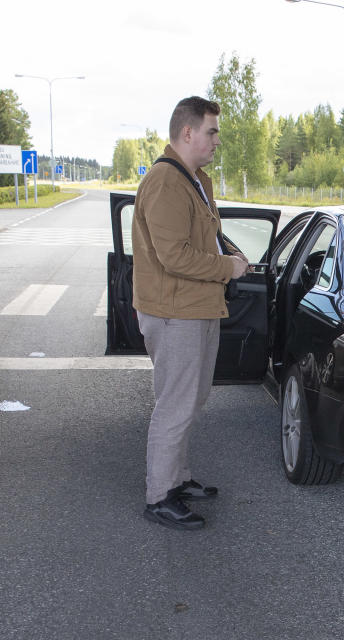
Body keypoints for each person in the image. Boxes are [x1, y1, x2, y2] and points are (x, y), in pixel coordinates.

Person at [132, 96, 249, 530]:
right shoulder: (166, 182)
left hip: (198, 306)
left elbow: (208, 236)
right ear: (188, 133)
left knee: (193, 398)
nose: (217, 139)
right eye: (212, 131)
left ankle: (176, 477)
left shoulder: (196, 180)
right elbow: (174, 257)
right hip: (174, 311)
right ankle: (159, 495)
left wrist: (233, 254)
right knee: (175, 403)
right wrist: (228, 268)